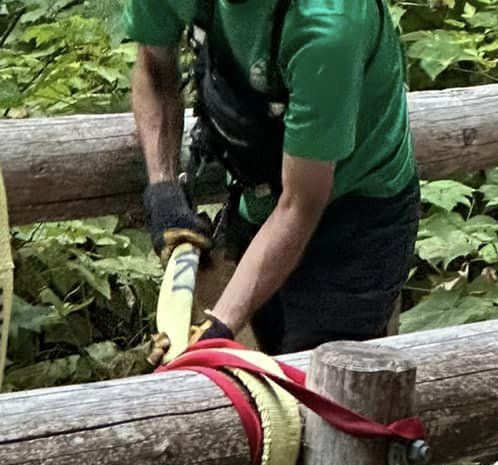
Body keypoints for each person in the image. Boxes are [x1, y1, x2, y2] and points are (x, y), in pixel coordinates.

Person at [124, 0, 418, 361]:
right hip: (260, 191)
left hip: (357, 210)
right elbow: (154, 69)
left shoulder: (328, 24)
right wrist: (164, 191)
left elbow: (300, 204)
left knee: (318, 391)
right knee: (252, 365)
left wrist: (217, 329)